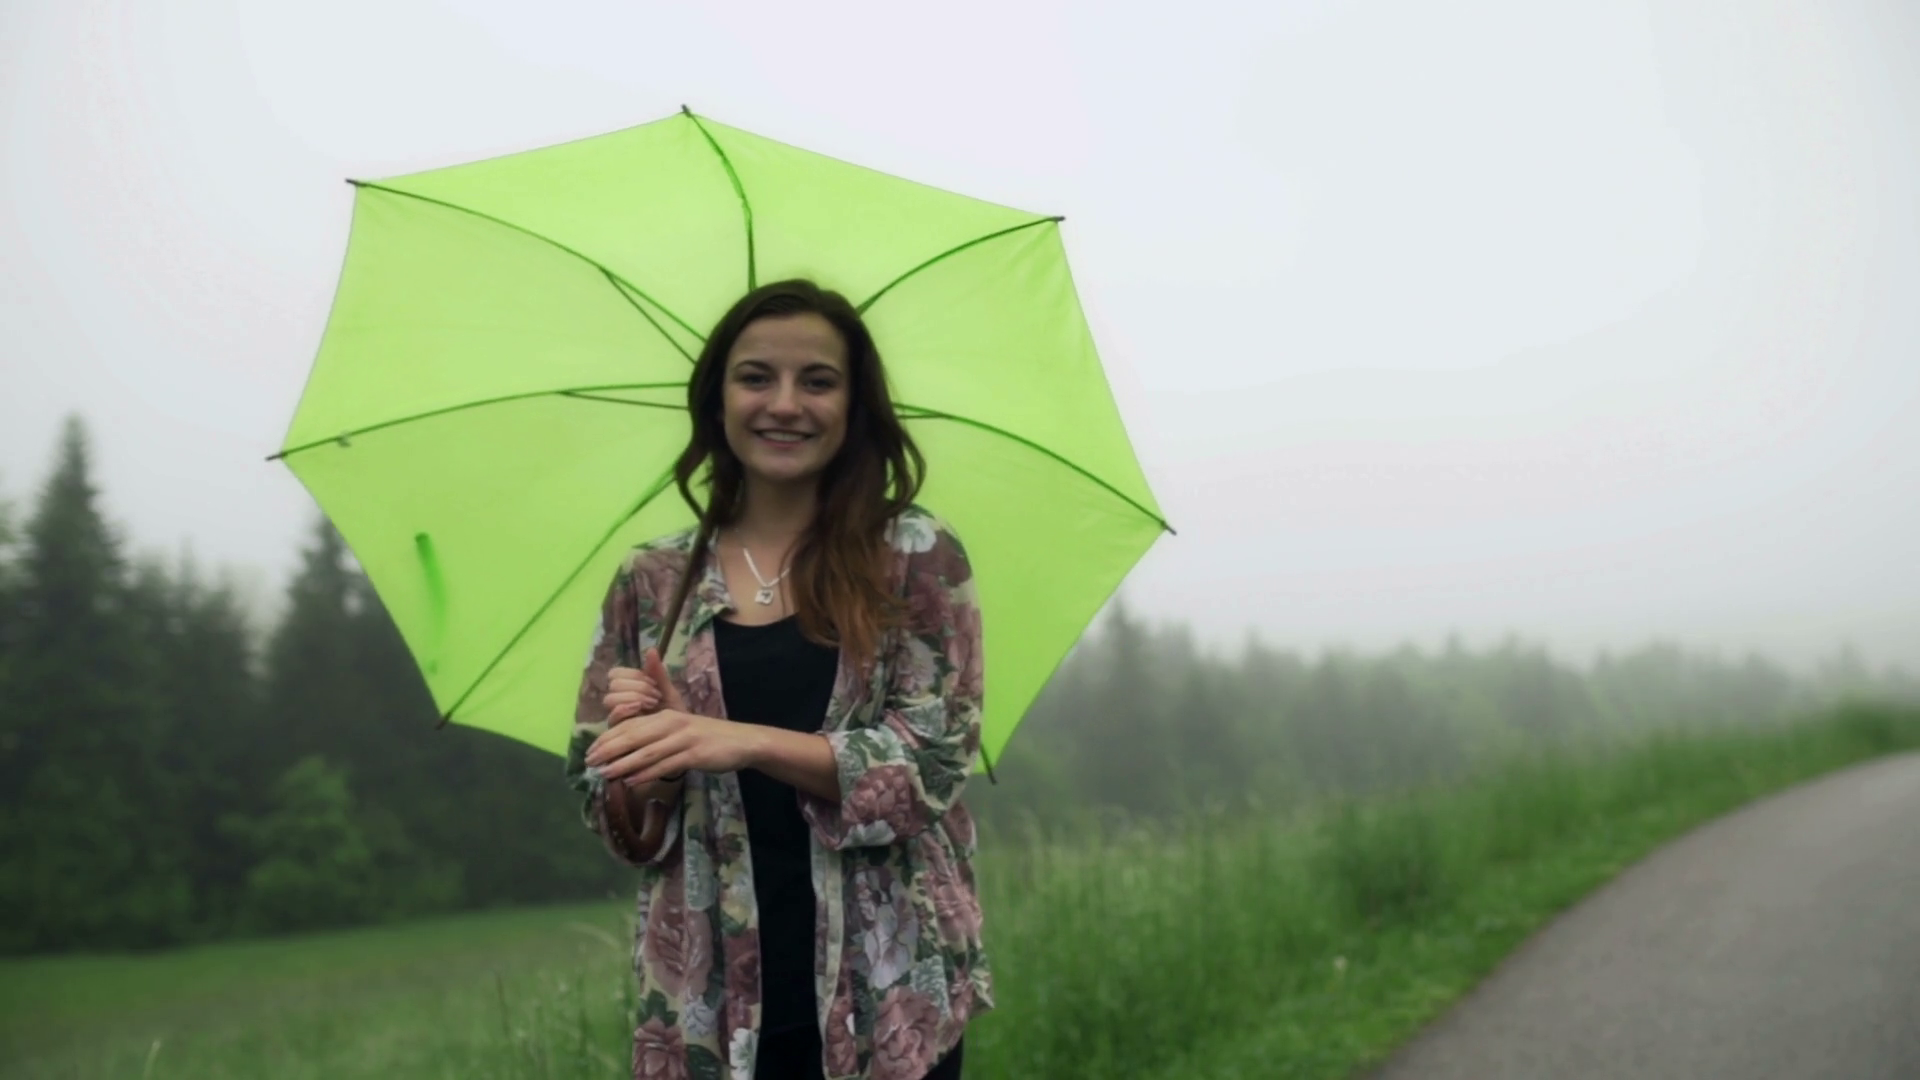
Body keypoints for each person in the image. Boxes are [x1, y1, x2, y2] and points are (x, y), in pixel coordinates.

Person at [566, 279, 989, 1080]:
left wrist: (745, 741)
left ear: (854, 404)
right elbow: (604, 799)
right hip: (709, 1001)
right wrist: (654, 762)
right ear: (717, 399)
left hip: (885, 994)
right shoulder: (653, 579)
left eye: (817, 381)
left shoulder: (913, 555)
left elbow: (932, 765)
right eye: (756, 377)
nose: (785, 404)